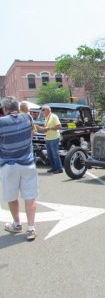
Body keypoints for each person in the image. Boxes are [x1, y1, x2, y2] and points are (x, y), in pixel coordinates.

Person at [0, 97, 38, 240]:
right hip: (28, 163)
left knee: (12, 196)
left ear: (4, 108)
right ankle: (31, 228)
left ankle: (16, 224)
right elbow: (32, 134)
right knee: (30, 196)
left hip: (9, 165)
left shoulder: (1, 122)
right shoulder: (27, 117)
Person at [35, 105, 63, 174]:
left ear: (48, 110)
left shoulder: (53, 116)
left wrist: (49, 128)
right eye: (42, 110)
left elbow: (59, 126)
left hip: (54, 138)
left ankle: (59, 168)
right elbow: (46, 128)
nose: (42, 111)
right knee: (50, 155)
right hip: (48, 138)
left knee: (55, 154)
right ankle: (54, 168)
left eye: (43, 110)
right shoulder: (46, 117)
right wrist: (40, 128)